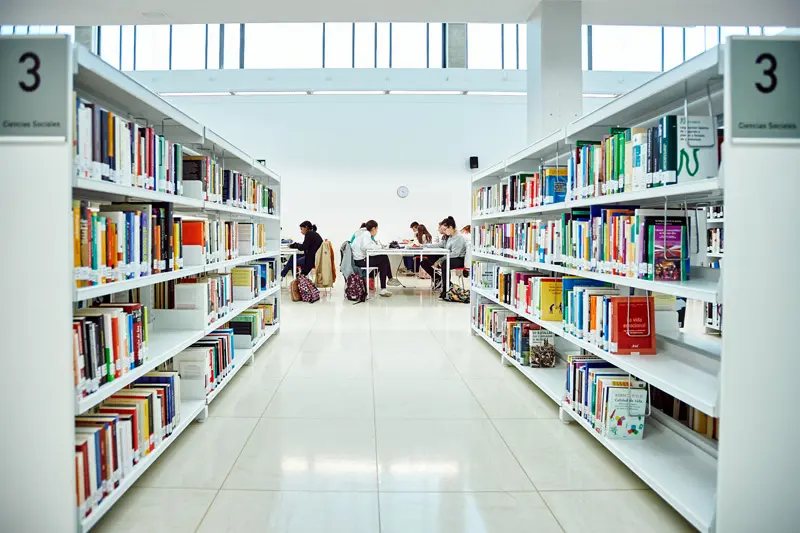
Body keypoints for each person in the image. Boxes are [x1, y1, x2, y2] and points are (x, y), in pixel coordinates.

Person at [420, 216, 467, 299]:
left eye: (445, 229)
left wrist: (439, 260)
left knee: (445, 264)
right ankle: (440, 279)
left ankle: (445, 290)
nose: (444, 232)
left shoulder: (458, 238)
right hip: (450, 256)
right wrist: (424, 245)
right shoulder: (449, 236)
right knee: (430, 258)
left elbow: (455, 254)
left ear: (451, 227)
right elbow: (441, 245)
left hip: (458, 259)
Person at [352, 220, 401, 297]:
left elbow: (368, 246)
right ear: (374, 228)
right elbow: (365, 247)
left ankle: (388, 281)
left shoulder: (363, 233)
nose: (377, 231)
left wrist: (378, 247)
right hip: (361, 261)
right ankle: (386, 285)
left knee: (383, 258)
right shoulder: (366, 234)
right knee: (383, 259)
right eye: (377, 229)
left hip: (360, 259)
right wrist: (380, 247)